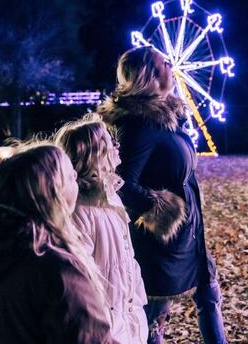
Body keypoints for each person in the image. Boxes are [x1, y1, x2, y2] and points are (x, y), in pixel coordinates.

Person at [98, 46, 228, 344]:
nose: (172, 65)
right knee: (155, 314)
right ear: (149, 75)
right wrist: (162, 209)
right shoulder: (140, 123)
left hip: (192, 230)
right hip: (161, 238)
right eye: (165, 62)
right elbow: (120, 181)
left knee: (209, 294)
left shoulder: (170, 117)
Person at [0, 142, 114, 344]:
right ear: (53, 194)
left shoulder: (4, 253)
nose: (76, 177)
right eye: (70, 176)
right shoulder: (58, 270)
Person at [54, 114, 149, 344]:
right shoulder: (79, 213)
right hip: (106, 327)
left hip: (127, 320)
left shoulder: (111, 198)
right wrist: (103, 326)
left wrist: (137, 305)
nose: (117, 147)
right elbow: (78, 283)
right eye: (110, 142)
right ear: (93, 155)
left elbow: (128, 260)